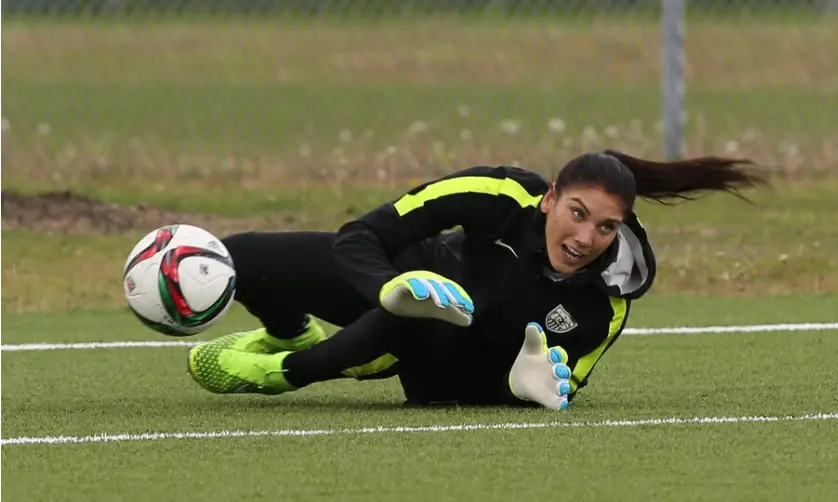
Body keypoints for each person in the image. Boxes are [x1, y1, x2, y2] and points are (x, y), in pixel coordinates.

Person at [186, 149, 767, 410]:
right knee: (236, 259)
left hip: (447, 360)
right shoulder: (500, 194)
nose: (587, 238)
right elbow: (361, 236)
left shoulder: (605, 304)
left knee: (409, 324)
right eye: (578, 214)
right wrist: (388, 286)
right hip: (405, 278)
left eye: (606, 228)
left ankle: (283, 371)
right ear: (549, 200)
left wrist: (525, 389)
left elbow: (561, 388)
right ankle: (292, 335)